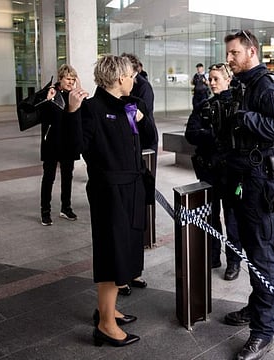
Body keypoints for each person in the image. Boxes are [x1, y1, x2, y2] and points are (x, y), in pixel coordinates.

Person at [66, 54, 156, 347]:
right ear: (120, 79)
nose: (135, 79)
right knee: (112, 254)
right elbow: (75, 147)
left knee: (125, 252)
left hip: (132, 189)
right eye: (132, 75)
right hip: (109, 192)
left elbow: (151, 139)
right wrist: (73, 112)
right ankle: (105, 324)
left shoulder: (131, 106)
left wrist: (142, 120)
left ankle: (107, 310)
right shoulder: (92, 108)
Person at [222, 30, 274, 360]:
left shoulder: (268, 85)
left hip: (264, 181)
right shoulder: (243, 85)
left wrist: (245, 117)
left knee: (262, 253)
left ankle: (264, 331)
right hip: (247, 178)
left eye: (234, 53)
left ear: (252, 51)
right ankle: (255, 307)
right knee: (252, 249)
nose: (229, 58)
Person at [184, 62, 243, 281]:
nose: (211, 82)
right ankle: (213, 255)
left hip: (230, 171)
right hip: (208, 169)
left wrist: (213, 135)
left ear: (228, 79)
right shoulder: (204, 105)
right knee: (210, 216)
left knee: (232, 219)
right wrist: (213, 136)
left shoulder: (238, 105)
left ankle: (234, 261)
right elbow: (191, 133)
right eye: (210, 78)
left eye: (216, 78)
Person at [118, 52, 159, 295]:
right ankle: (122, 275)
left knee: (138, 217)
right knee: (122, 226)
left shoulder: (140, 94)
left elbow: (149, 133)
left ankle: (133, 270)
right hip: (118, 174)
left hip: (140, 159)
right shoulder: (103, 104)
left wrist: (141, 121)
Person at [39, 64, 80, 226]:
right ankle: (45, 211)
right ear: (60, 79)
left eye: (73, 79)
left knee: (67, 176)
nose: (71, 82)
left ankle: (66, 208)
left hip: (68, 142)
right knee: (49, 177)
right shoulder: (50, 92)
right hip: (52, 142)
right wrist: (47, 101)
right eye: (68, 79)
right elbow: (40, 113)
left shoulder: (73, 95)